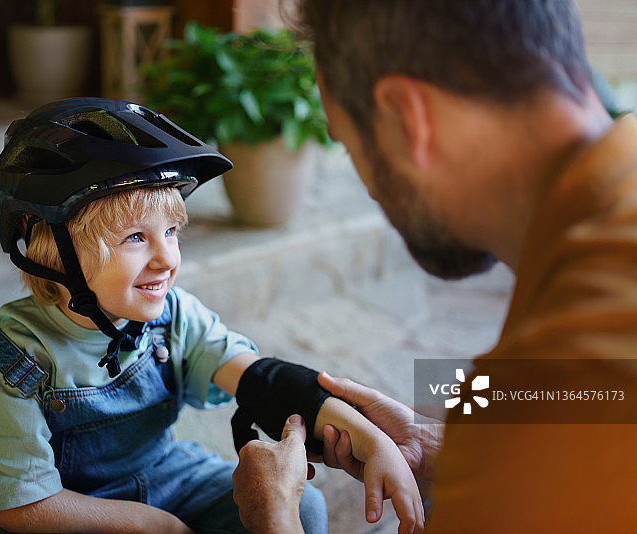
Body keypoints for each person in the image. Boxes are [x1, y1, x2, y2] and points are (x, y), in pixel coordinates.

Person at [232, 0, 637, 532]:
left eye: (353, 148)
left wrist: (275, 518)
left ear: (407, 118)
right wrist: (455, 450)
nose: (371, 189)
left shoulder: (560, 365)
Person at [0, 98, 425, 533]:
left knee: (303, 506)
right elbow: (19, 506)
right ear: (55, 254)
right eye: (134, 238)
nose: (167, 259)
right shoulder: (20, 354)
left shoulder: (172, 316)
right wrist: (151, 524)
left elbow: (261, 380)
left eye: (170, 231)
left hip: (164, 472)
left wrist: (373, 440)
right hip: (74, 508)